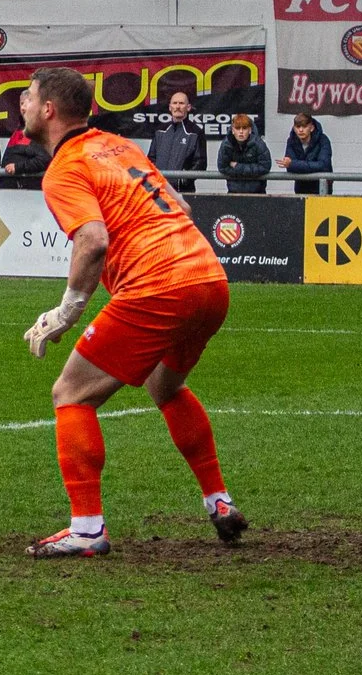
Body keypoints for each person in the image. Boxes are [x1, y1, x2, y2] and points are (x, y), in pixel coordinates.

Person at [16, 65, 246, 558]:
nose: (24, 106)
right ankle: (219, 501)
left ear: (50, 110)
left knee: (71, 393)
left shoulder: (64, 167)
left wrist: (66, 312)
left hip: (159, 287)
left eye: (29, 98)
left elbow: (92, 240)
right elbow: (180, 208)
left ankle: (87, 528)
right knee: (165, 386)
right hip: (208, 278)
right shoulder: (120, 146)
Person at [147, 89, 205, 194]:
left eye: (181, 103)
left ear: (188, 107)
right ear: (170, 107)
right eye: (175, 103)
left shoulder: (196, 132)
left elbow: (201, 162)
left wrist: (184, 180)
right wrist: (155, 179)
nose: (177, 106)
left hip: (183, 192)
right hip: (159, 191)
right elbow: (151, 158)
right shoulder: (160, 130)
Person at [216, 114, 270, 194]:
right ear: (233, 130)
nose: (241, 132)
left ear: (250, 130)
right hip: (234, 192)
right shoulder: (226, 145)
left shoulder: (259, 144)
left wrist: (237, 166)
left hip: (257, 193)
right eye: (237, 128)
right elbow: (222, 167)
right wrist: (249, 171)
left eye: (244, 128)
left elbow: (265, 167)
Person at [279, 113, 332, 195]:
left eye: (304, 127)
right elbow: (289, 168)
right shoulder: (291, 140)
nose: (300, 130)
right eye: (298, 127)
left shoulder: (323, 140)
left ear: (312, 128)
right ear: (294, 128)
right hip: (301, 189)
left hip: (321, 189)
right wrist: (293, 165)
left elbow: (323, 165)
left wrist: (294, 164)